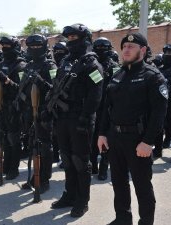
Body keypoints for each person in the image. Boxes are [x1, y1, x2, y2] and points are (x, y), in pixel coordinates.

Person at [98, 32, 168, 225]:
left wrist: (148, 142)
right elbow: (106, 107)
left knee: (142, 185)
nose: (126, 50)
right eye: (124, 47)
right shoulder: (117, 74)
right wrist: (102, 133)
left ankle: (146, 222)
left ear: (143, 50)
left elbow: (159, 113)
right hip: (115, 137)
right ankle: (122, 218)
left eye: (131, 47)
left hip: (138, 140)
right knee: (118, 183)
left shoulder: (152, 76)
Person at [49, 23, 103, 218]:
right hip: (63, 117)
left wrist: (85, 118)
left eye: (75, 38)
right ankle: (69, 195)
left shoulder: (92, 63)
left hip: (81, 118)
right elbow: (56, 86)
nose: (71, 41)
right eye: (69, 38)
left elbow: (96, 95)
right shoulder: (65, 61)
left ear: (85, 38)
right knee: (67, 158)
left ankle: (82, 200)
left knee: (81, 161)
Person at [18, 34, 56, 194]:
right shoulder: (28, 66)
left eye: (37, 46)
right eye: (31, 46)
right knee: (32, 145)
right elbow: (22, 86)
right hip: (29, 111)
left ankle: (44, 179)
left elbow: (56, 89)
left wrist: (42, 82)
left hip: (44, 112)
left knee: (44, 147)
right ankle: (34, 176)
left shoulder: (50, 65)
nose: (34, 49)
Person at [0, 36, 26, 179]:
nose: (5, 48)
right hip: (1, 106)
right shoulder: (1, 64)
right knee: (3, 138)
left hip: (14, 107)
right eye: (3, 45)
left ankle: (13, 168)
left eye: (8, 46)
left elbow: (22, 89)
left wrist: (7, 81)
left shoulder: (21, 66)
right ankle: (4, 165)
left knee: (13, 139)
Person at [91, 36, 119, 180]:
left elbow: (118, 88)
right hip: (93, 106)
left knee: (105, 138)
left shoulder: (115, 67)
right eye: (98, 48)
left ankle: (103, 167)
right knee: (92, 138)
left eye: (104, 48)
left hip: (108, 108)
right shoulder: (91, 65)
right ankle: (93, 165)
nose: (100, 51)